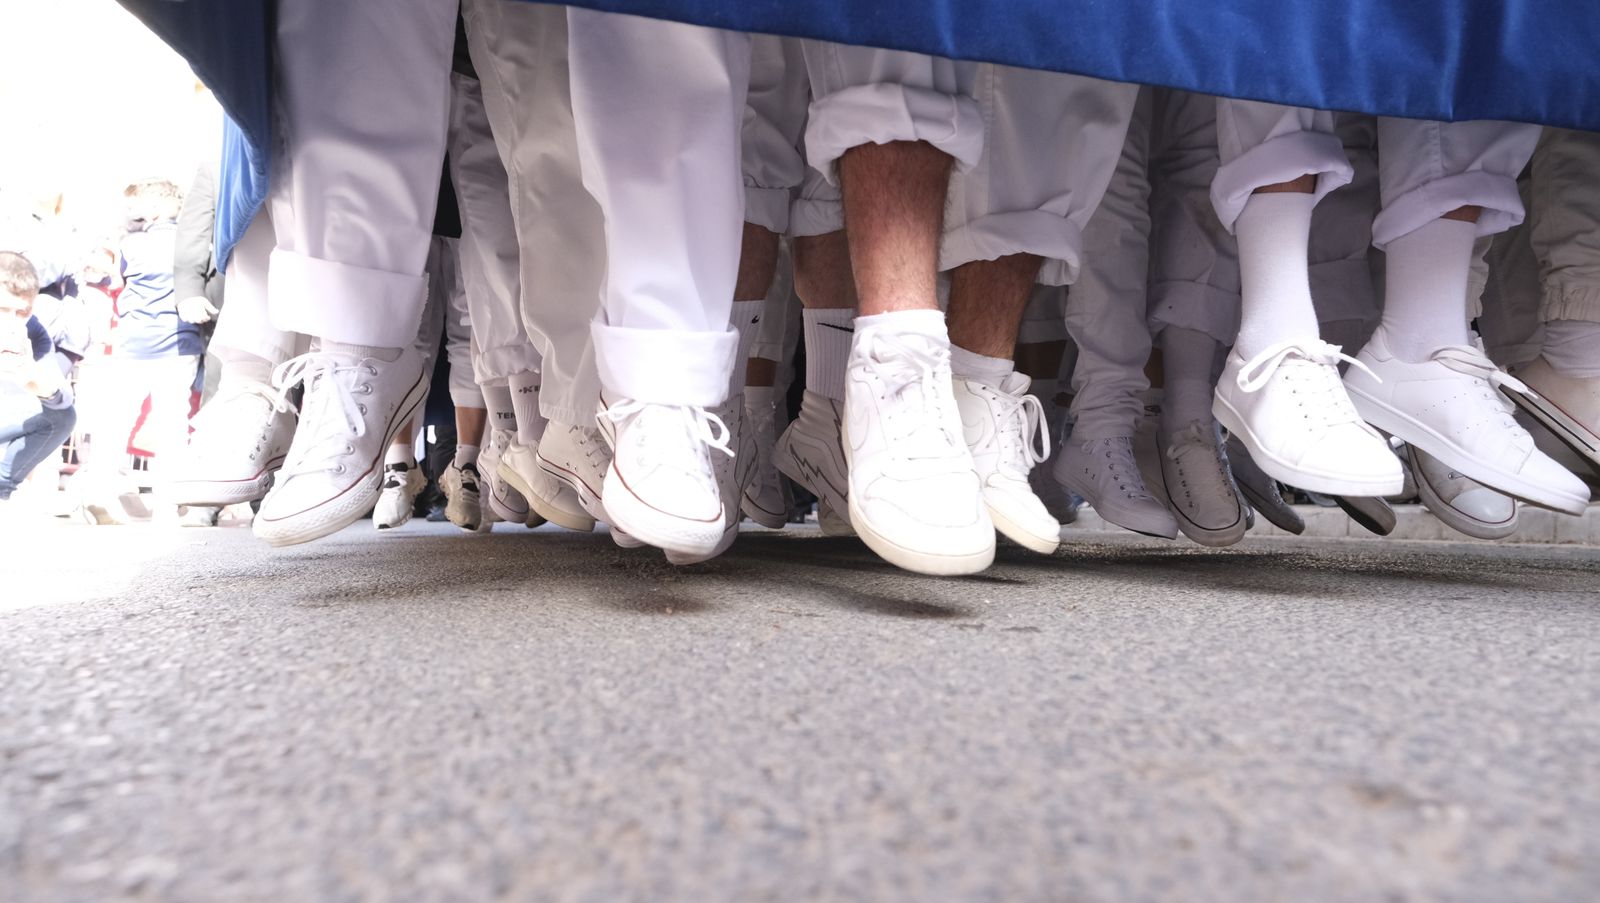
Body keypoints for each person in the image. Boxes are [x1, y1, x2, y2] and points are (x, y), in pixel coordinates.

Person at [0, 253, 76, 501]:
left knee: (61, 417)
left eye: (22, 312)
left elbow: (63, 397)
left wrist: (35, 380)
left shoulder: (33, 331)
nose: (12, 320)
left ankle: (1, 488)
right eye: (2, 308)